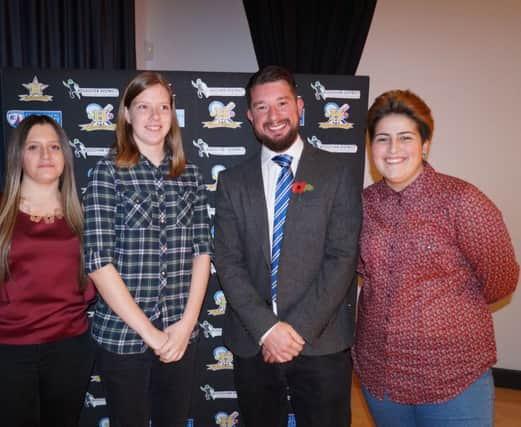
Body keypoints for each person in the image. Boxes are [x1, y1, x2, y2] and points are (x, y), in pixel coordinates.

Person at [353, 89, 519, 427]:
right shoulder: (361, 206)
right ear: (371, 147)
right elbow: (358, 268)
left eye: (405, 138)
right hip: (381, 374)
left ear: (425, 143)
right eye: (383, 139)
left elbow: (501, 279)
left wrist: (445, 312)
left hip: (453, 376)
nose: (393, 149)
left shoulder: (463, 201)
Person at [214, 65, 361, 427]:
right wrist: (268, 330)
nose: (273, 115)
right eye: (262, 107)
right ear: (250, 116)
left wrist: (294, 331)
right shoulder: (232, 182)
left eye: (281, 103)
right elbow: (228, 261)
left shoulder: (337, 173)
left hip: (321, 341)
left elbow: (342, 257)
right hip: (254, 341)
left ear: (299, 106)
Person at [0, 115, 96, 427]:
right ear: (19, 156)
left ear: (65, 157)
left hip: (69, 352)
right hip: (3, 355)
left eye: (54, 147)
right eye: (34, 147)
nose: (46, 155)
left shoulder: (83, 216)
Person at [83, 71, 212, 427]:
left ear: (173, 115)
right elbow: (97, 262)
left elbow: (203, 252)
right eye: (143, 107)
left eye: (163, 107)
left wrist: (185, 326)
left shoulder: (191, 176)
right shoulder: (106, 172)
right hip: (124, 338)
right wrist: (150, 333)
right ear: (126, 114)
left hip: (179, 335)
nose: (155, 117)